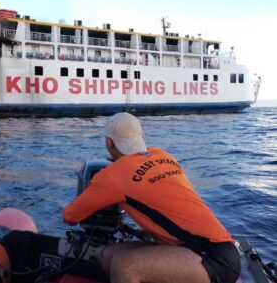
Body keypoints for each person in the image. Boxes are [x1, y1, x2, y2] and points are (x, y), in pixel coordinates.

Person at [63, 112, 241, 283]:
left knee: (125, 266)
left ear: (109, 142)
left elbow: (69, 216)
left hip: (212, 257)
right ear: (140, 137)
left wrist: (112, 172)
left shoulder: (112, 175)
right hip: (209, 249)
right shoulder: (163, 156)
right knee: (108, 255)